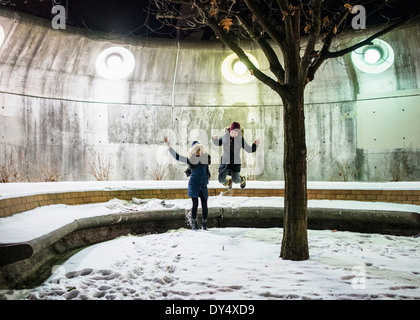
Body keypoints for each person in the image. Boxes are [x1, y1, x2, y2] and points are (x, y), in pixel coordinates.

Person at [164, 137, 211, 230]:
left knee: (205, 205)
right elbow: (177, 157)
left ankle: (204, 224)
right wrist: (169, 147)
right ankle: (194, 224)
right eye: (196, 150)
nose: (198, 151)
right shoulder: (191, 160)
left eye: (200, 149)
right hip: (194, 185)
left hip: (203, 185)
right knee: (195, 204)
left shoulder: (205, 159)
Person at [212, 122, 260, 189]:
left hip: (235, 163)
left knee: (236, 180)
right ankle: (228, 183)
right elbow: (218, 143)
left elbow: (249, 149)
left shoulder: (240, 139)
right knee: (221, 180)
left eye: (236, 133)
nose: (234, 135)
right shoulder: (225, 137)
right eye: (232, 132)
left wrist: (255, 145)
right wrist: (214, 139)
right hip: (225, 162)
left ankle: (242, 179)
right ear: (230, 131)